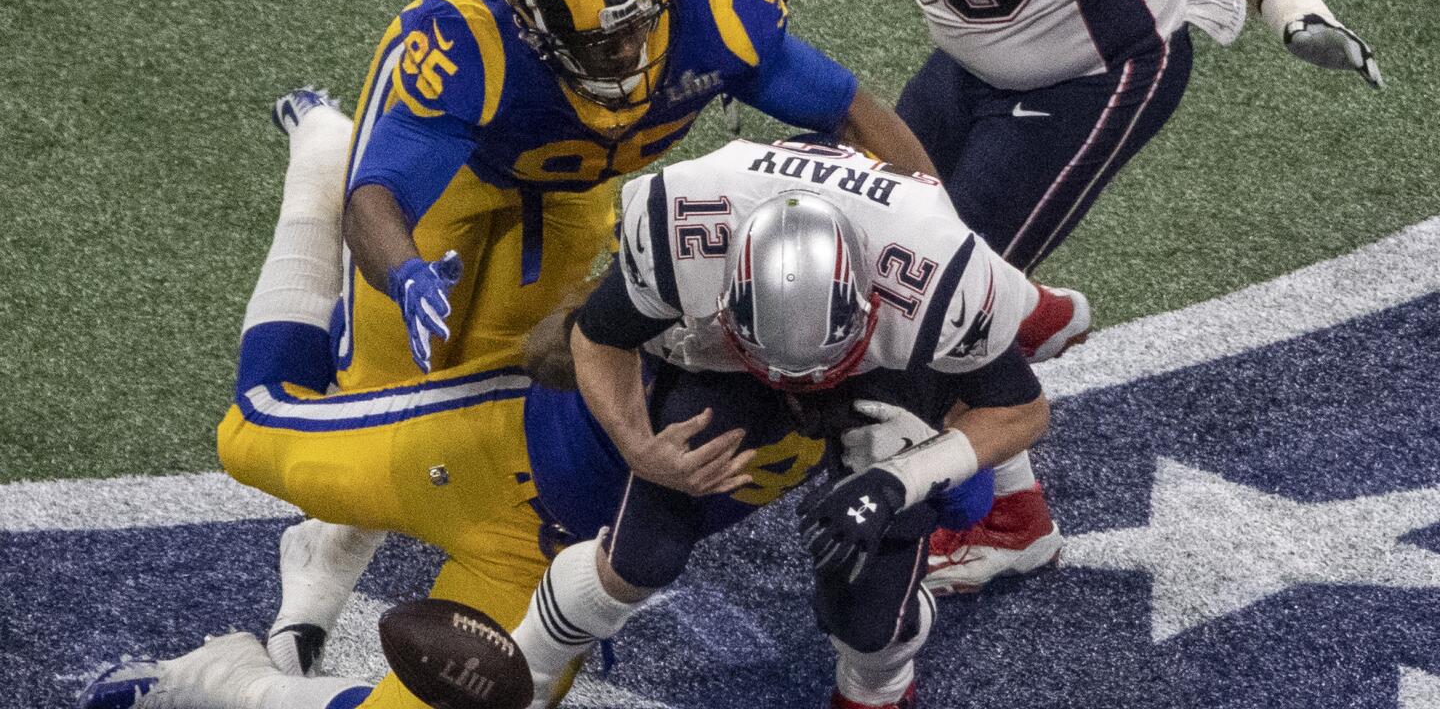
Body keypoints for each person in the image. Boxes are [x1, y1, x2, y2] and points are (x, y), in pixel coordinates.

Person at [77, 98, 990, 709]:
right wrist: (636, 430)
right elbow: (559, 348)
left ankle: (220, 676)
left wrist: (921, 477)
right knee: (250, 434)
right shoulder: (684, 281)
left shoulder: (908, 340)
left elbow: (996, 413)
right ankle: (322, 165)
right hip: (482, 456)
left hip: (551, 556)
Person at [755, 0, 1382, 595]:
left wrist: (1290, 4)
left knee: (917, 310)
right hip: (971, 60)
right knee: (872, 253)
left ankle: (951, 557)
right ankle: (1022, 397)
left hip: (1096, 71)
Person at [509, 137, 1051, 709]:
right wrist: (640, 449)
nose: (798, 389)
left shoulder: (941, 279)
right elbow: (599, 336)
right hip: (735, 352)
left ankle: (877, 686)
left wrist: (899, 481)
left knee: (866, 611)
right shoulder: (685, 228)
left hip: (876, 367)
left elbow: (1023, 411)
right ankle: (526, 670)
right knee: (643, 552)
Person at [337, 0, 934, 392]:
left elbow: (849, 112)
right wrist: (403, 272)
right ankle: (319, 156)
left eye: (640, 25)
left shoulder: (717, 8)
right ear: (535, 34)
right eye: (601, 43)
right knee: (385, 374)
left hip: (568, 186)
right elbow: (376, 198)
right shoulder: (474, 49)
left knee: (515, 363)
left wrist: (935, 215)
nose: (630, 51)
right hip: (459, 177)